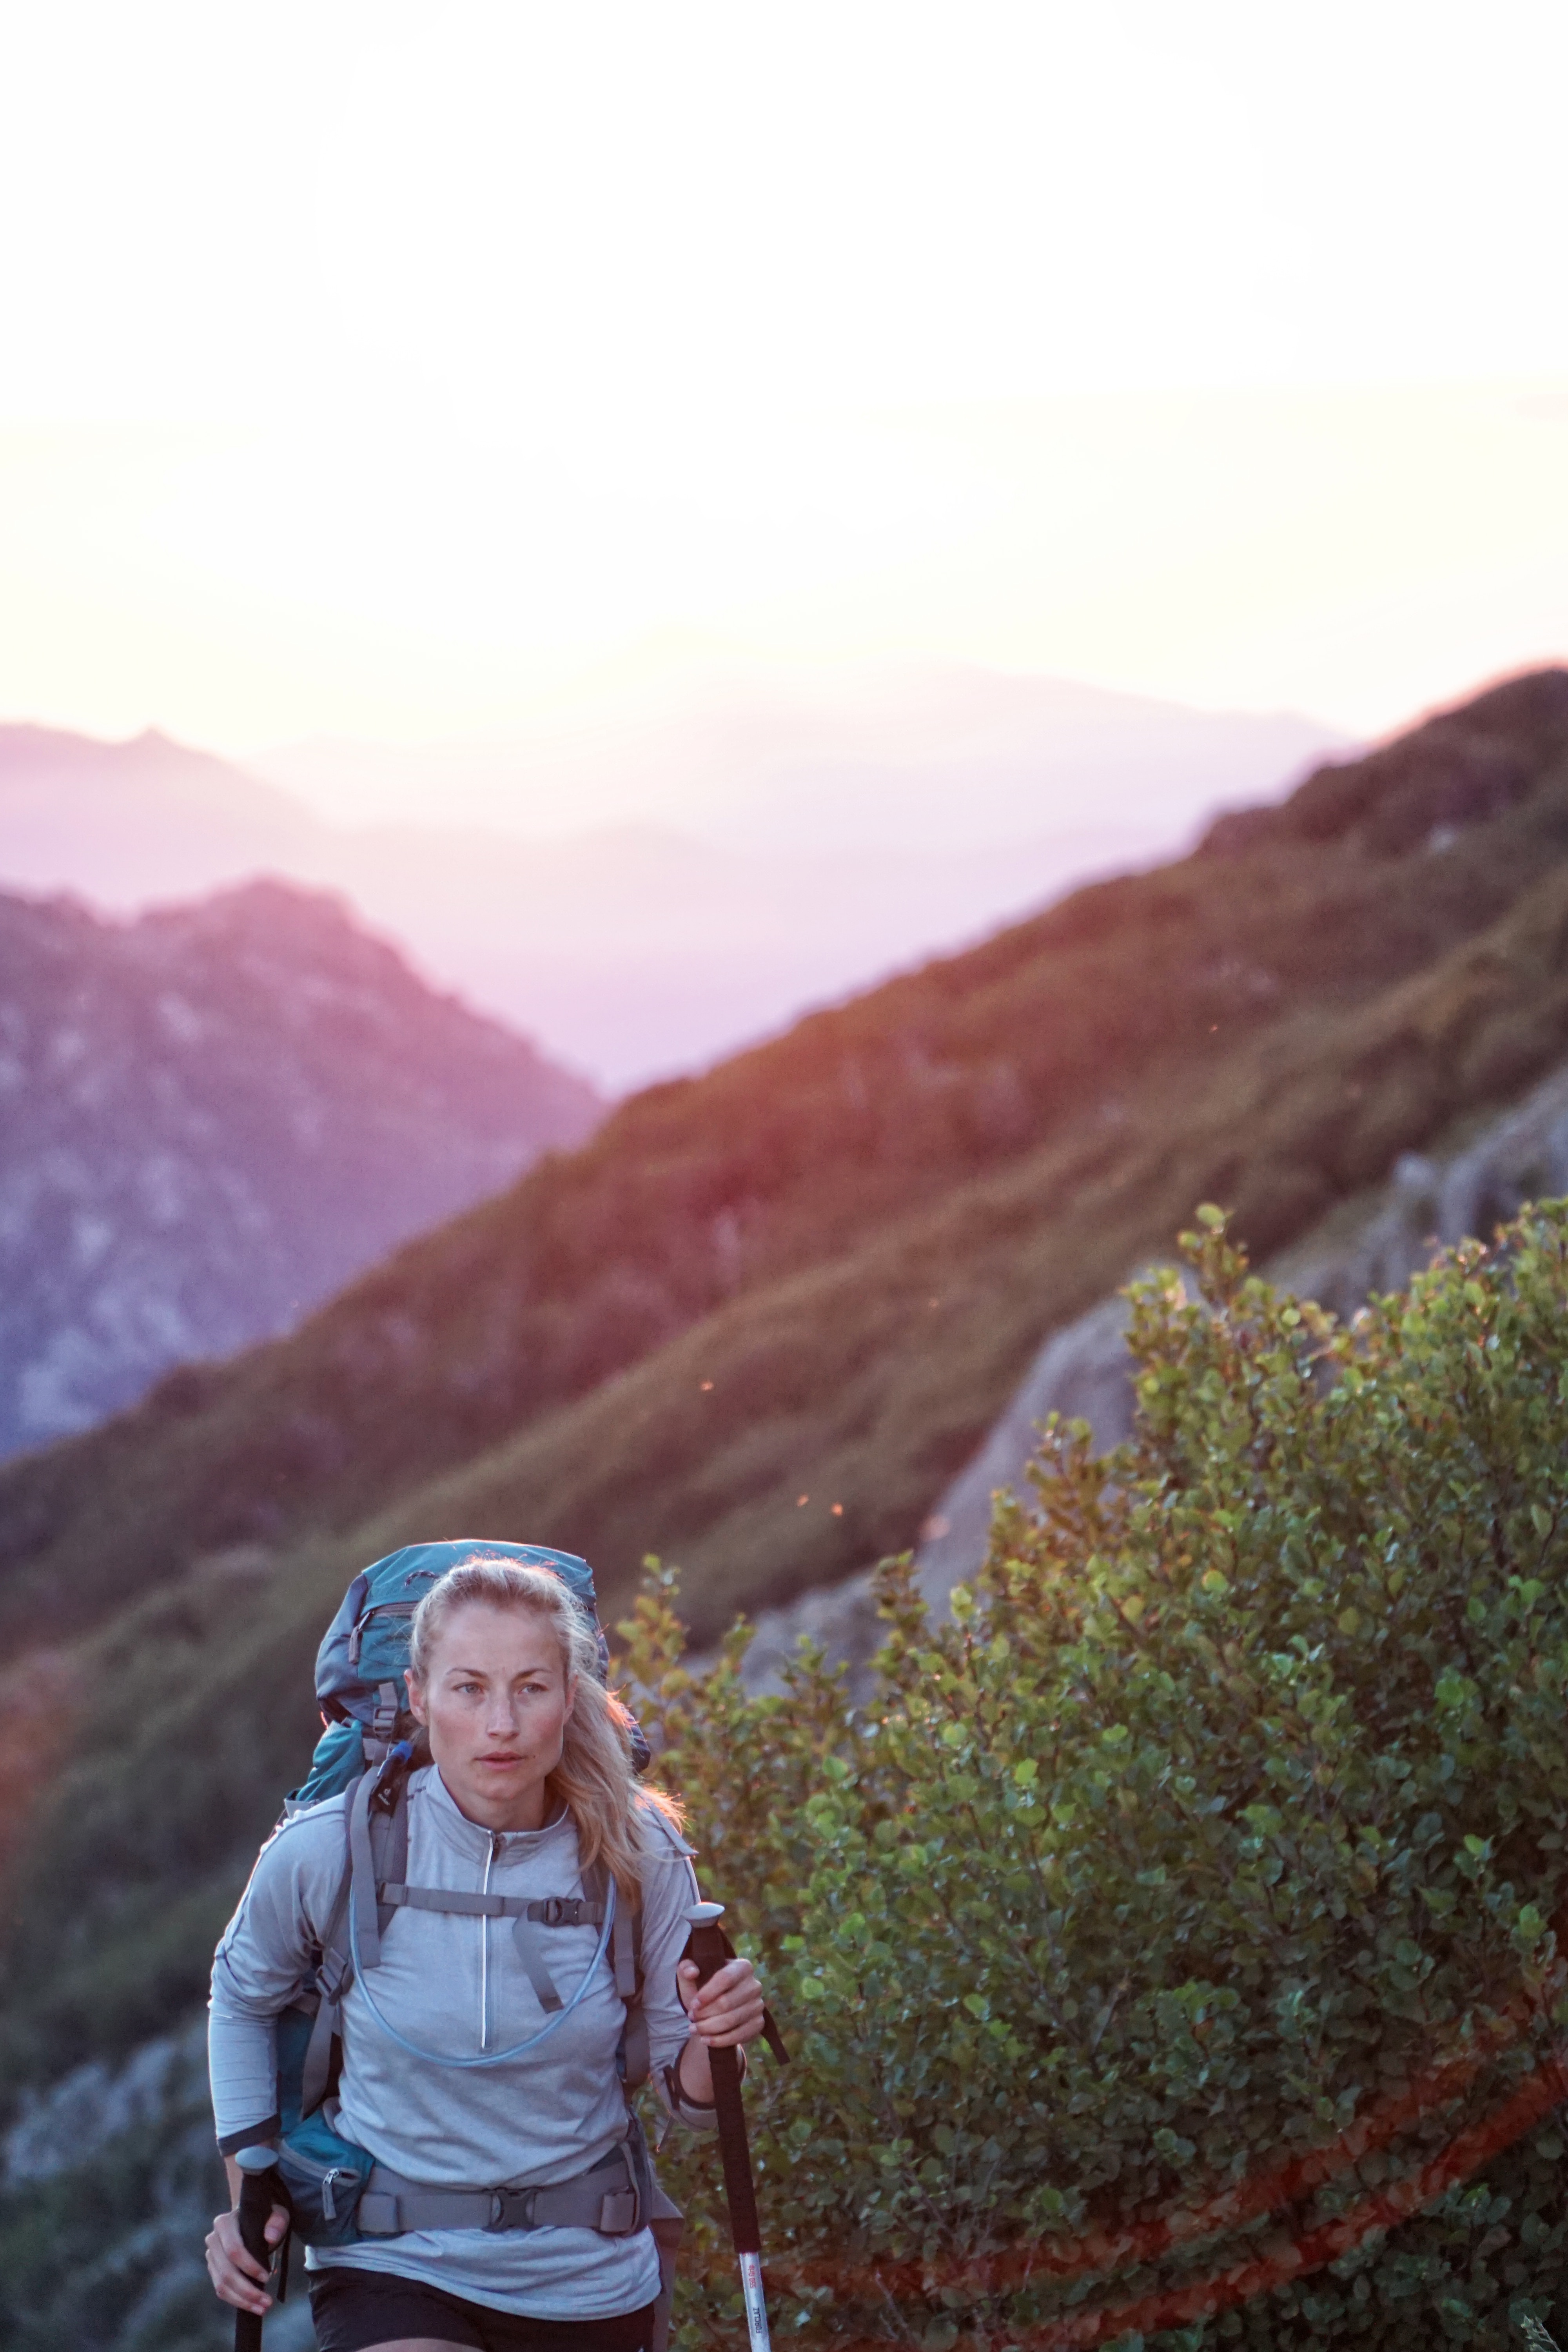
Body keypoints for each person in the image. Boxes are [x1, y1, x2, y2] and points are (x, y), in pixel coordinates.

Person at [204, 1555, 766, 2352]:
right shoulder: (330, 1849)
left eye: (530, 1688)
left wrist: (720, 2040)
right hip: (390, 2262)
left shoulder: (640, 1852)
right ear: (418, 1696)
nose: (500, 1723)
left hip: (592, 2275)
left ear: (570, 1700)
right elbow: (240, 1996)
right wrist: (249, 2185)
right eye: (469, 1688)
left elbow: (692, 2100)